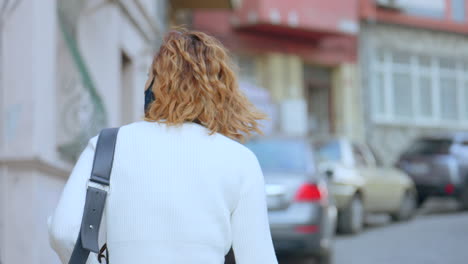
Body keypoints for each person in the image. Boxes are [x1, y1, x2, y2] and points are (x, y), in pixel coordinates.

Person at [48, 29, 278, 264]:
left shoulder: (107, 145)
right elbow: (258, 257)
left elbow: (64, 231)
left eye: (149, 76)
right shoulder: (240, 160)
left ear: (158, 84)